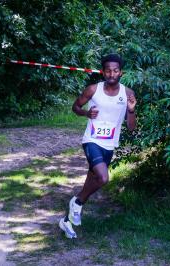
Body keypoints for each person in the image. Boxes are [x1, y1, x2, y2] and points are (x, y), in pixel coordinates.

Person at [59, 53, 137, 238]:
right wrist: (86, 114)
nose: (111, 74)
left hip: (109, 145)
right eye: (108, 70)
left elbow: (132, 127)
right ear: (103, 72)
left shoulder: (128, 94)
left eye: (115, 70)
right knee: (103, 178)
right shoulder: (93, 90)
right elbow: (75, 107)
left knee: (91, 181)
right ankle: (75, 205)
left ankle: (68, 219)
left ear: (121, 73)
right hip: (92, 141)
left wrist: (132, 110)